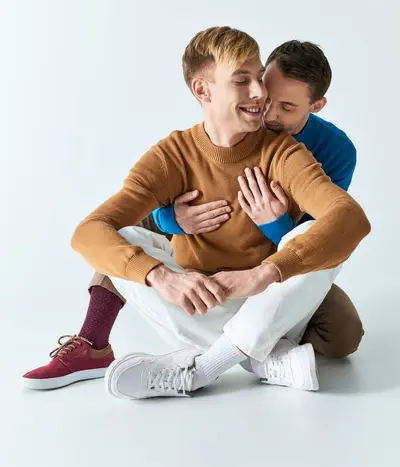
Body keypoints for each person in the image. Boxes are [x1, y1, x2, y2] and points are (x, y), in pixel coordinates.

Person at [22, 27, 370, 399]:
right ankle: (261, 358)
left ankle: (206, 366)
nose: (261, 97)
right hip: (200, 294)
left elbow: (348, 221)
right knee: (121, 236)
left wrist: (265, 267)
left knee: (316, 242)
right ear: (202, 90)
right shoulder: (172, 154)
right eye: (245, 81)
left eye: (262, 85)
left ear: (315, 106)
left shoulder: (292, 151)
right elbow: (89, 231)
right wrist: (162, 274)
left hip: (267, 289)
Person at [151, 40, 363, 360]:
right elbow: (181, 173)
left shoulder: (336, 151)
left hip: (273, 261)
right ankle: (92, 341)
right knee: (123, 226)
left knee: (343, 334)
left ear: (316, 106)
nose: (268, 114)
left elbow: (317, 239)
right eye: (267, 97)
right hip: (207, 239)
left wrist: (276, 225)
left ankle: (254, 341)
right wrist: (171, 219)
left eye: (287, 107)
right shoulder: (242, 117)